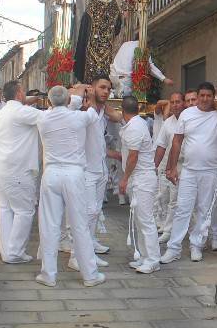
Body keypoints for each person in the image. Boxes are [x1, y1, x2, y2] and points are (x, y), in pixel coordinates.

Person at [33, 85, 105, 287]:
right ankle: (90, 275)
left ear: (48, 102)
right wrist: (86, 94)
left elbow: (60, 104)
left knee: (49, 225)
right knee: (80, 225)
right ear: (67, 101)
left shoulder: (43, 119)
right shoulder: (80, 117)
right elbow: (92, 109)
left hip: (52, 174)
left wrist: (69, 97)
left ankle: (48, 274)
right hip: (74, 174)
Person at [162, 83, 217, 263]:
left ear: (212, 97)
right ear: (197, 97)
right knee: (183, 208)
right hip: (189, 170)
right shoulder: (187, 114)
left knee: (204, 210)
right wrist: (172, 167)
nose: (205, 99)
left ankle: (196, 245)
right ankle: (173, 248)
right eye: (202, 95)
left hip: (212, 171)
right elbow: (176, 142)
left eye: (208, 96)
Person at [69, 75, 121, 272]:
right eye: (102, 87)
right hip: (86, 171)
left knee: (95, 212)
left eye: (108, 88)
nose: (106, 91)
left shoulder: (102, 110)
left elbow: (118, 117)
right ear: (92, 88)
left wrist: (100, 102)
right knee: (86, 214)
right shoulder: (82, 109)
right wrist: (84, 89)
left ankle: (88, 252)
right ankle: (76, 255)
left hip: (100, 169)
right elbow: (72, 94)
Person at [0, 81, 40, 264]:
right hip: (18, 171)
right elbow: (49, 118)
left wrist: (32, 100)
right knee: (24, 211)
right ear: (19, 93)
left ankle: (8, 252)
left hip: (0, 169)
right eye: (23, 91)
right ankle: (15, 252)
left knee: (5, 210)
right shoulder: (21, 112)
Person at [118, 96, 162, 274]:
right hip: (140, 178)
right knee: (139, 220)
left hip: (142, 178)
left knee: (145, 220)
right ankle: (144, 256)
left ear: (122, 111)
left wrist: (124, 178)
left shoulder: (134, 127)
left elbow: (133, 157)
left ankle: (153, 259)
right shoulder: (136, 123)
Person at [73, 0, 123, 83]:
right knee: (105, 69)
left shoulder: (92, 4)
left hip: (92, 47)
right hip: (107, 47)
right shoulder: (114, 6)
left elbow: (84, 26)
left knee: (91, 72)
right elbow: (117, 28)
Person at [153, 92, 185, 244]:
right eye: (172, 102)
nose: (175, 105)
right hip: (172, 165)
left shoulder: (189, 118)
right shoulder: (168, 123)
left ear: (184, 103)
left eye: (178, 101)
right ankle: (168, 230)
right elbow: (161, 145)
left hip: (189, 165)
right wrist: (154, 166)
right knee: (170, 199)